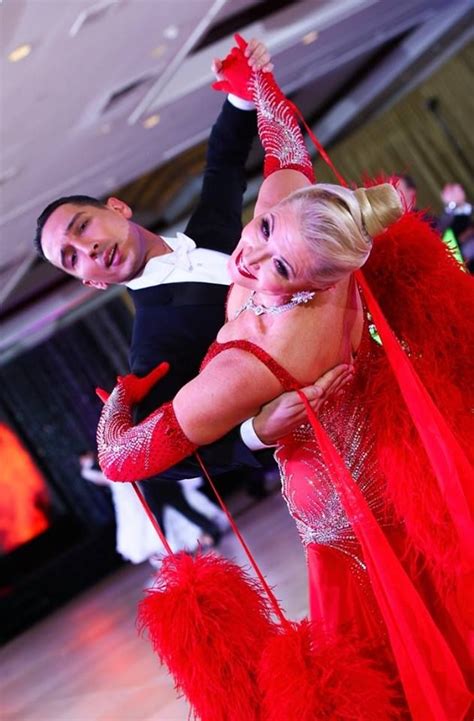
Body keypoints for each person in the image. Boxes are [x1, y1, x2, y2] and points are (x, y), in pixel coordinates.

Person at [96, 36, 473, 720]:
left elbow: (121, 458)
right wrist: (256, 80)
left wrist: (118, 403)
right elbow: (282, 142)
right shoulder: (311, 226)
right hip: (395, 467)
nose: (252, 251)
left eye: (278, 267)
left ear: (314, 286)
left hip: (343, 524)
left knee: (391, 672)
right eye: (265, 225)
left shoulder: (255, 358)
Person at [34, 40, 350, 532]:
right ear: (90, 283)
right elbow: (164, 457)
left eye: (82, 227)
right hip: (332, 446)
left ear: (117, 208)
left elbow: (223, 163)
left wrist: (242, 88)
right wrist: (254, 434)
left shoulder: (207, 234)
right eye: (72, 258)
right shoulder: (153, 342)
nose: (88, 249)